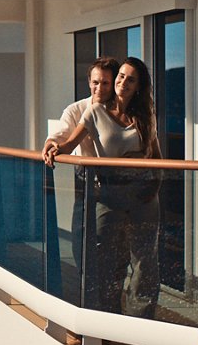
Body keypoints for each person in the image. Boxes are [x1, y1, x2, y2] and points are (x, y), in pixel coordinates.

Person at [44, 57, 161, 318]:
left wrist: (155, 184)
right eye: (120, 76)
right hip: (109, 194)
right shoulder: (94, 111)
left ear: (139, 85)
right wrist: (52, 146)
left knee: (145, 262)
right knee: (107, 261)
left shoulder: (144, 115)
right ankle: (107, 321)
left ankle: (141, 324)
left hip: (143, 195)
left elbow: (155, 155)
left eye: (130, 79)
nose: (123, 82)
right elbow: (67, 143)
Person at [42, 56, 119, 295]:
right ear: (89, 82)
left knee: (111, 249)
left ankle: (108, 303)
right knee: (81, 244)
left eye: (105, 83)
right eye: (95, 82)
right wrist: (51, 143)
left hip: (117, 185)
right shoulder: (76, 109)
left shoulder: (121, 111)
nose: (99, 88)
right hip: (85, 182)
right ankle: (90, 298)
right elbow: (61, 135)